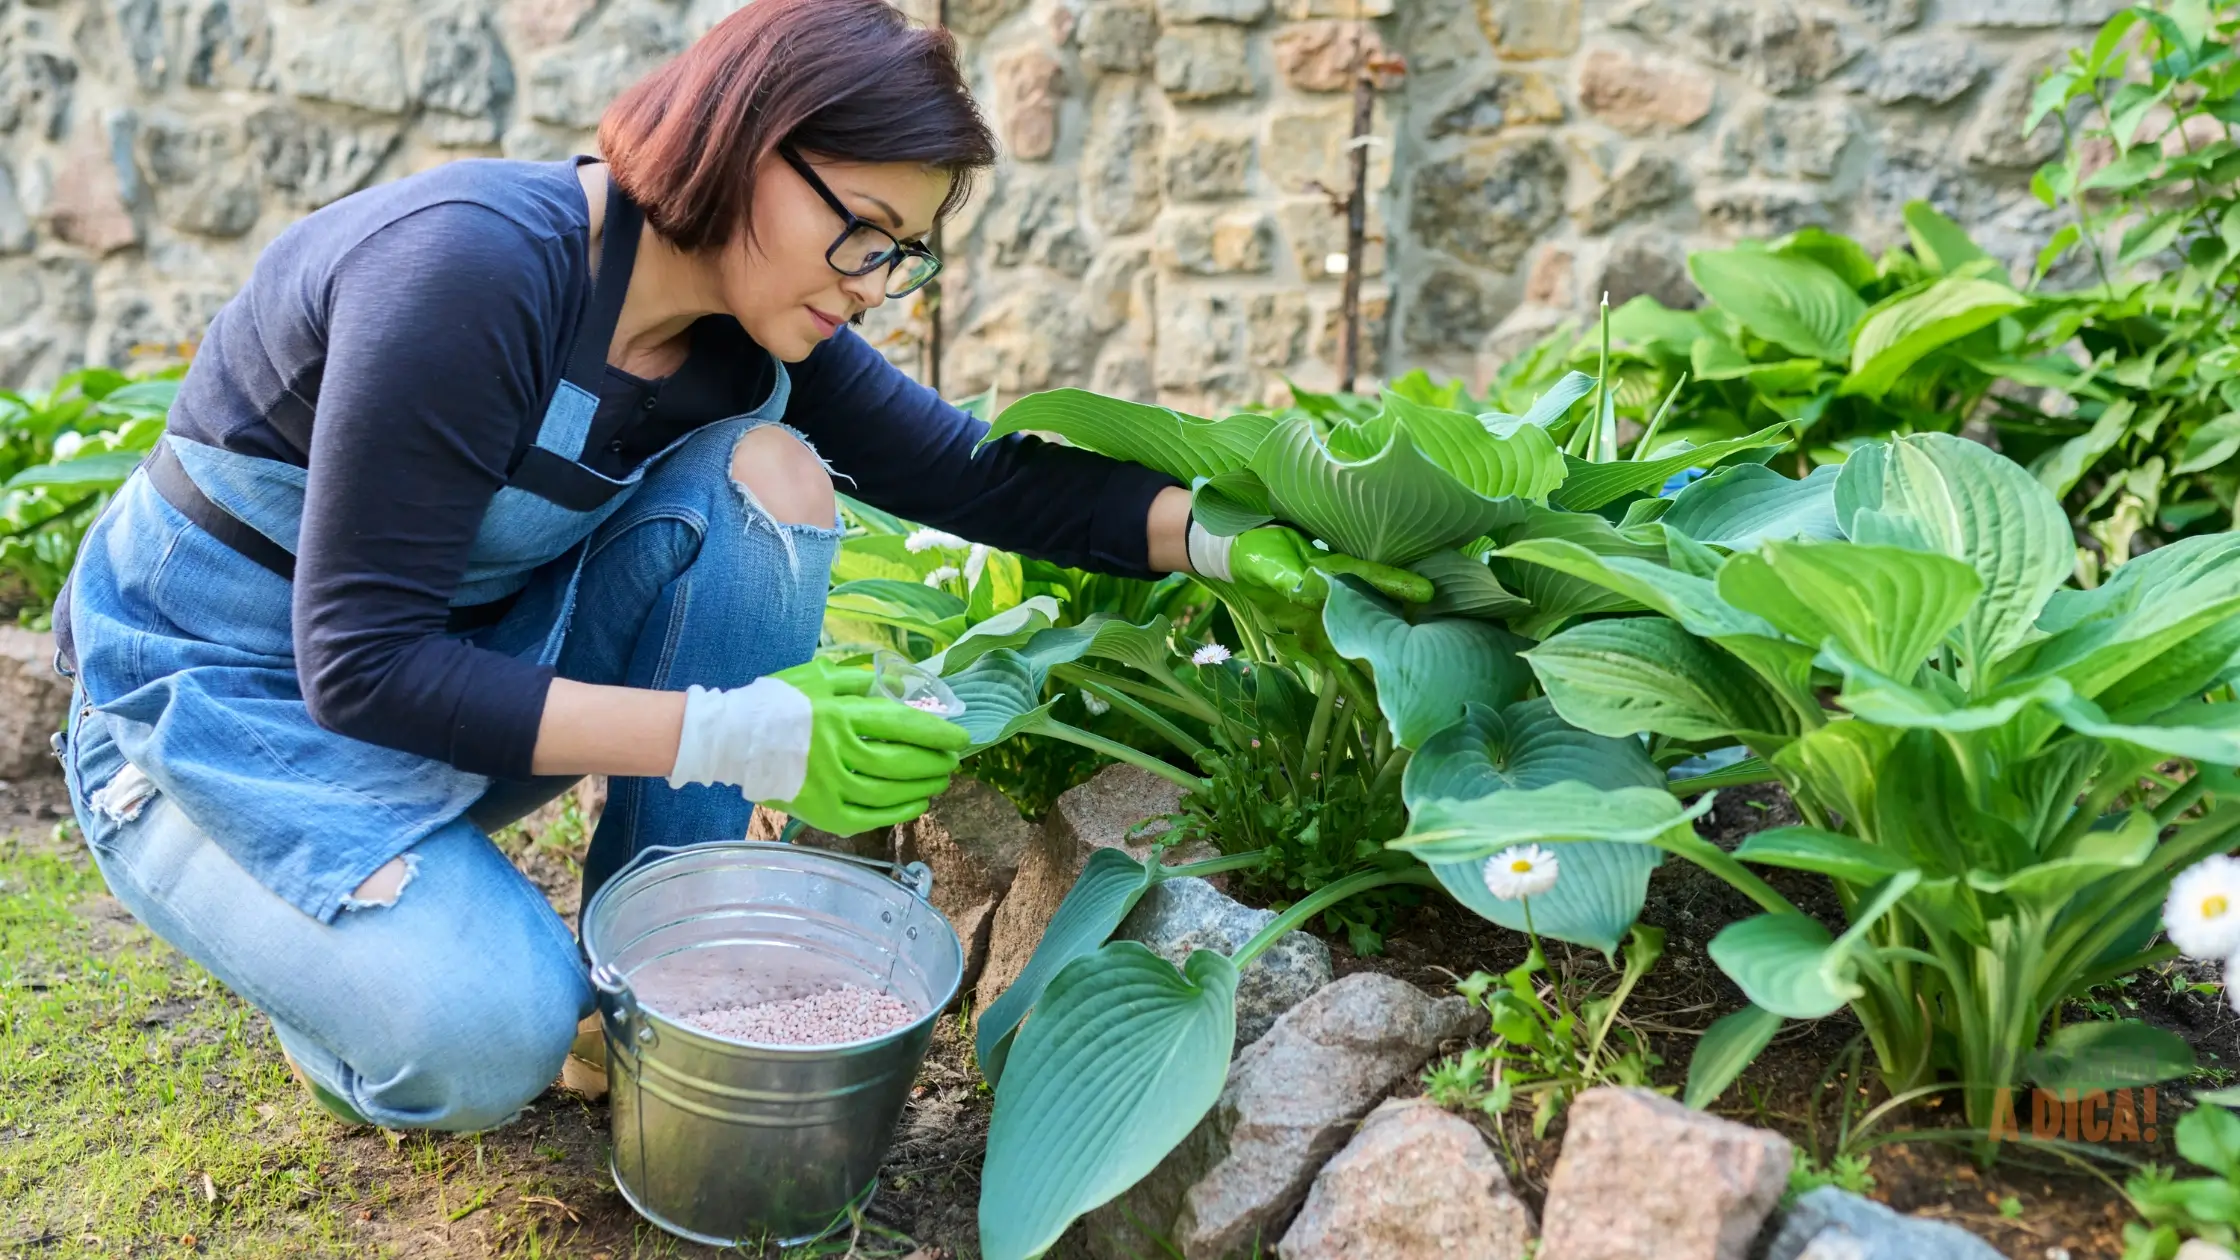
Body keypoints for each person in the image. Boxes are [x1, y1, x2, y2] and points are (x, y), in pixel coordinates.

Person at [53, 0, 1388, 1134]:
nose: (875, 280)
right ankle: (358, 982)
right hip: (208, 714)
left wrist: (1231, 536)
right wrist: (740, 734)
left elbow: (982, 479)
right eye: (863, 228)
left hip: (447, 699)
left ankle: (657, 981)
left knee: (772, 475)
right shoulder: (470, 273)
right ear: (748, 149)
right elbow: (361, 667)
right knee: (483, 1042)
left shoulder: (748, 336)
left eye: (904, 251)